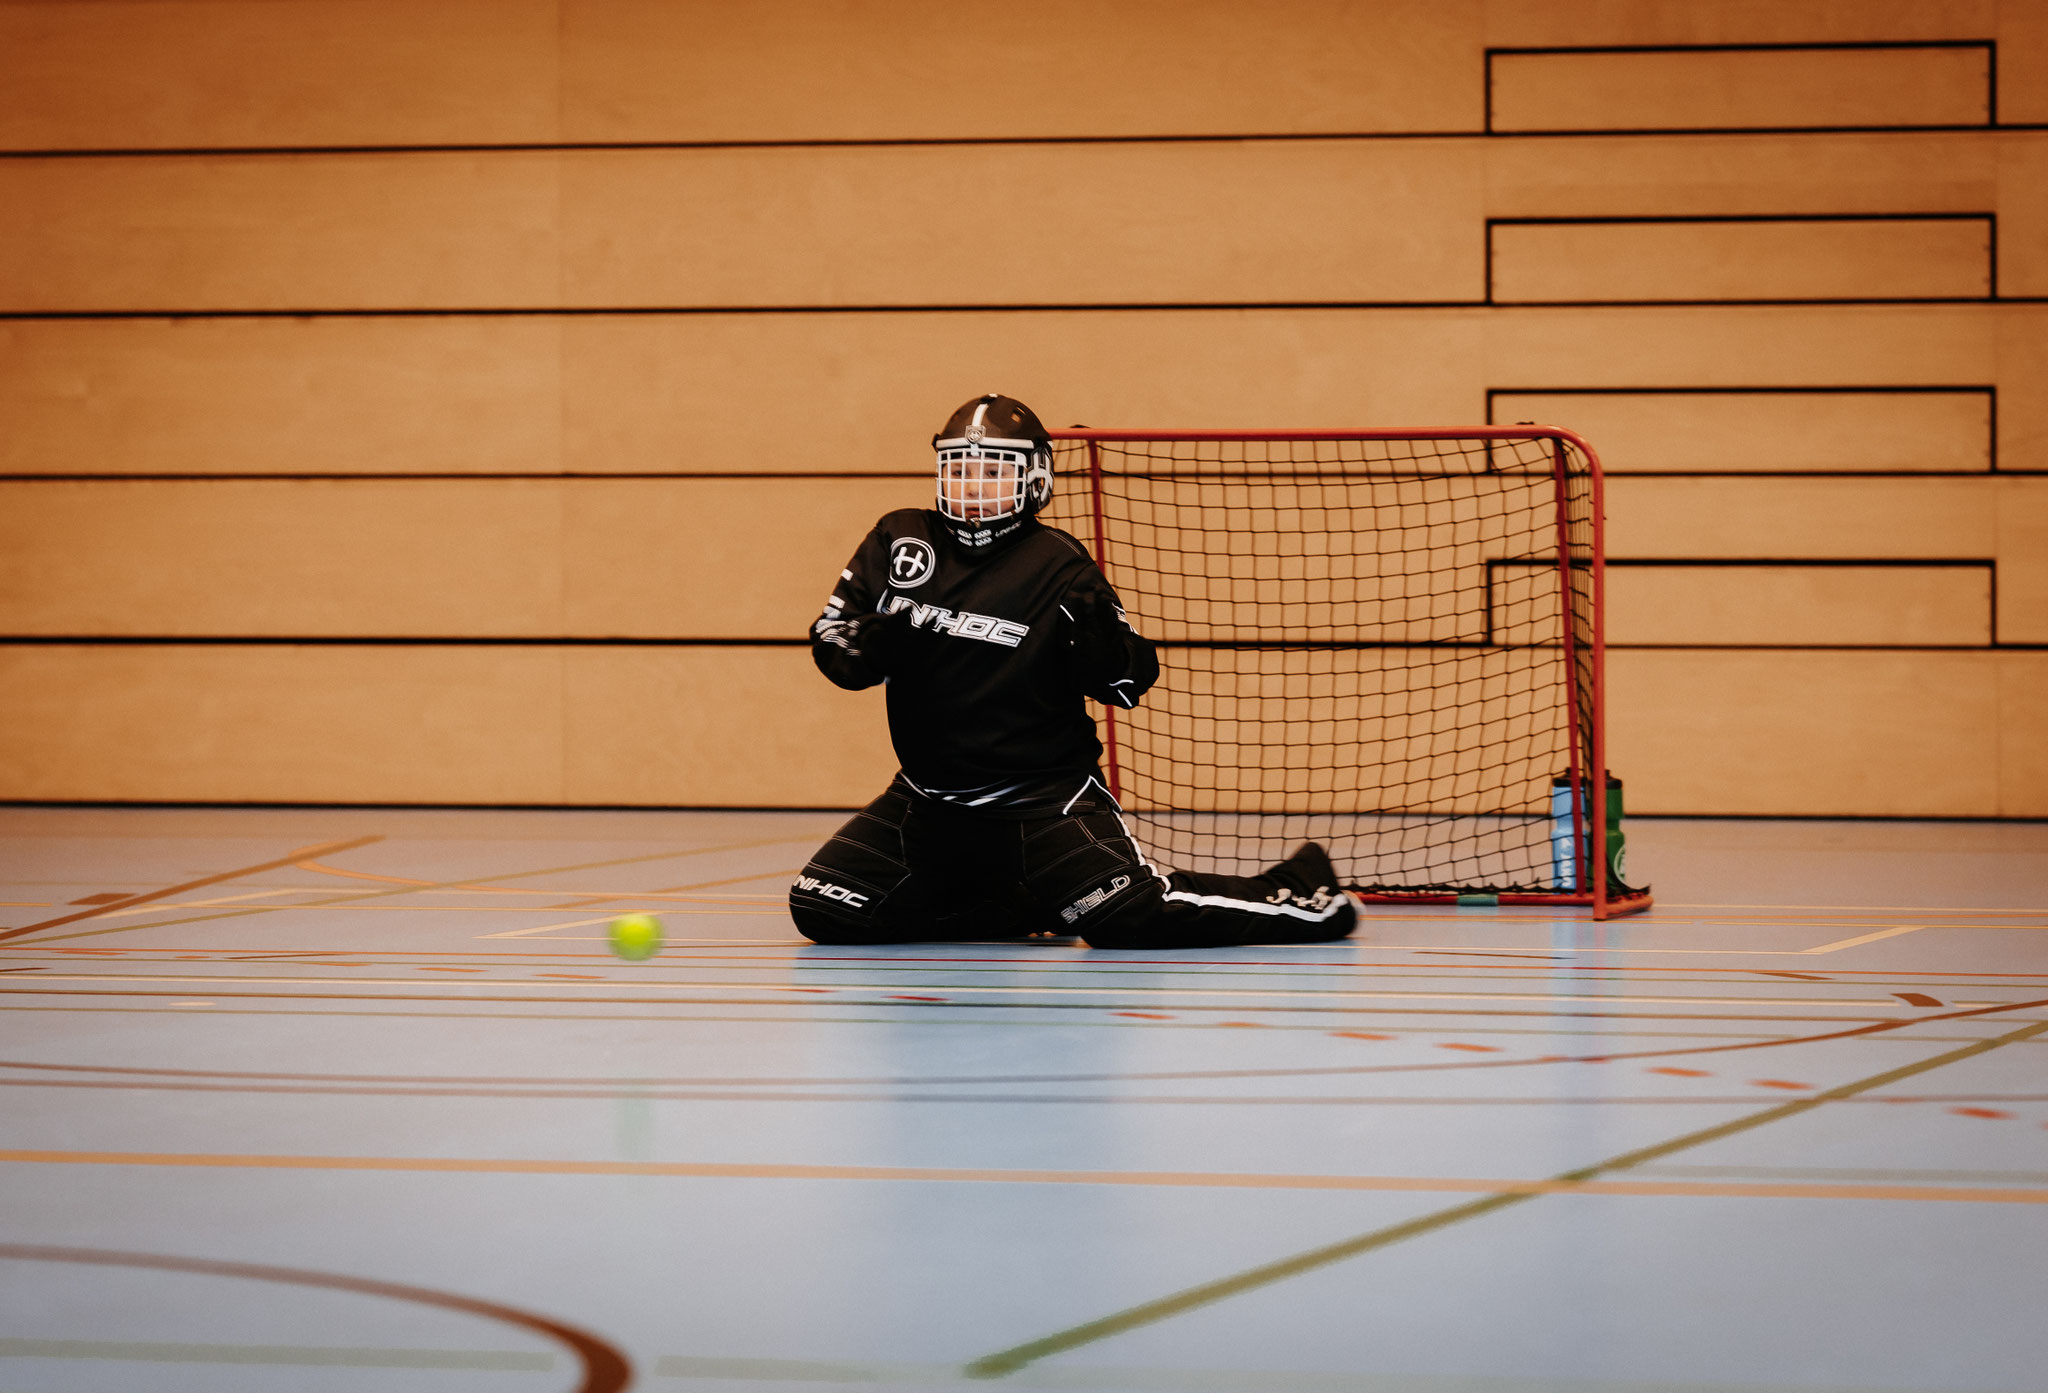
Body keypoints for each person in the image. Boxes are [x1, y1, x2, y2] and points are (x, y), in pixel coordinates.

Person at [787, 392, 1356, 950]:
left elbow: (1127, 684)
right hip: (929, 799)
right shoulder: (900, 538)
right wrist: (868, 645)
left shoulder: (1059, 563)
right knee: (824, 906)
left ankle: (1301, 890)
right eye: (959, 469)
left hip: (1043, 800)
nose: (973, 486)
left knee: (1130, 918)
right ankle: (1024, 901)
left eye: (993, 471)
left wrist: (1101, 651)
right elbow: (834, 643)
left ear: (1035, 479)